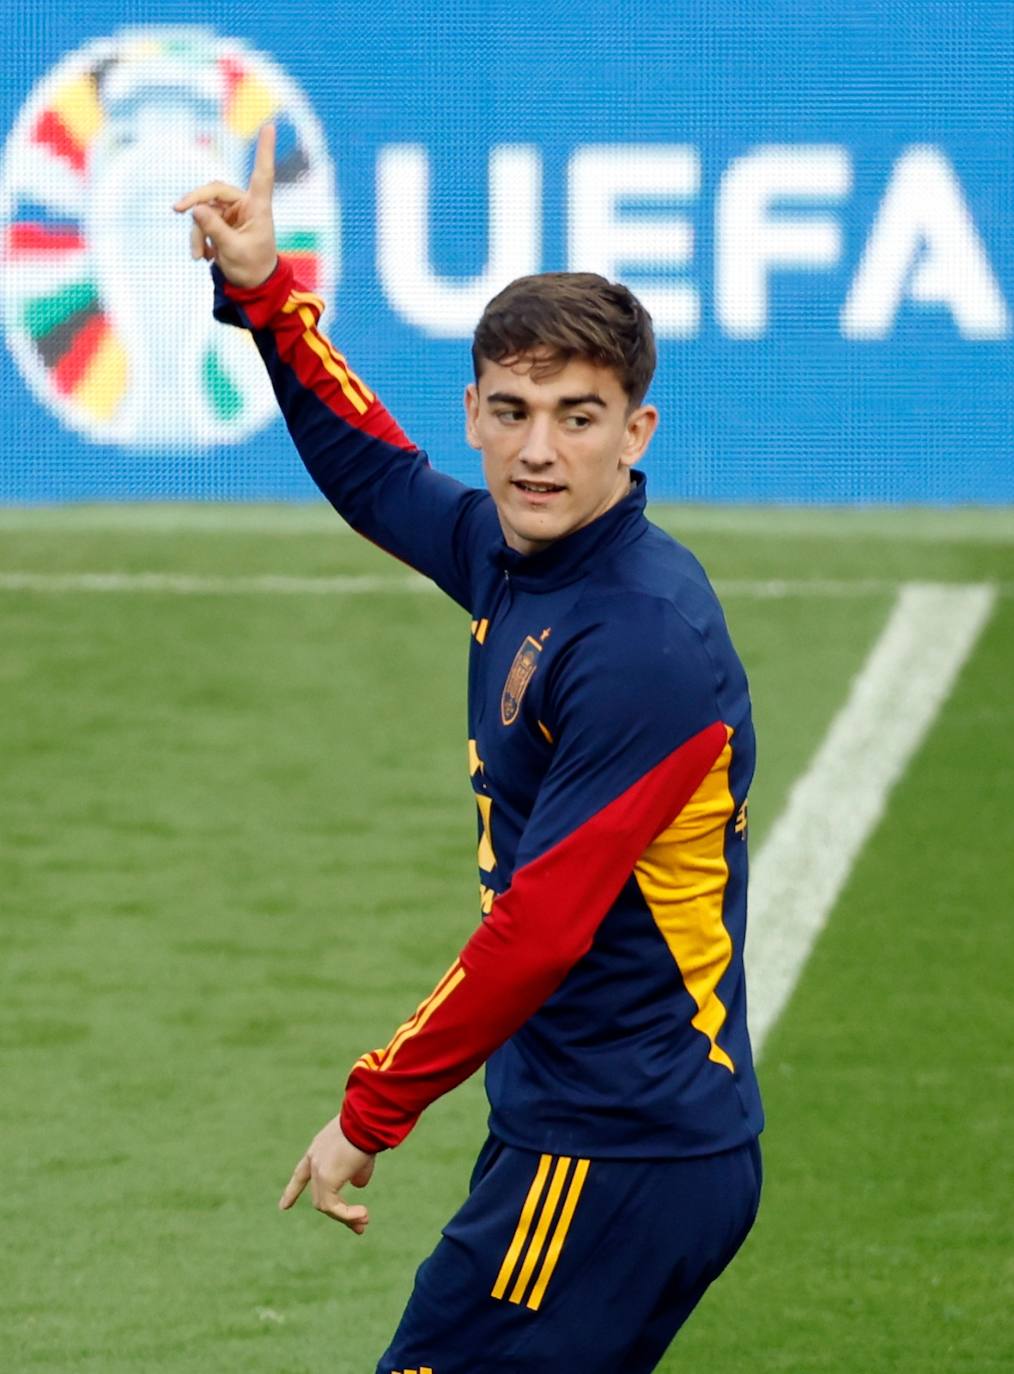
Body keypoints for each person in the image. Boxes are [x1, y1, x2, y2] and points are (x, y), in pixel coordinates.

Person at [175, 124, 764, 1374]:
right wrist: (267, 301)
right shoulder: (518, 551)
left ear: (637, 431)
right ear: (478, 415)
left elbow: (539, 930)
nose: (538, 448)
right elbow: (378, 475)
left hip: (612, 1153)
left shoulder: (643, 641)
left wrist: (371, 1106)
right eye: (512, 412)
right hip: (592, 1130)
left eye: (577, 416)